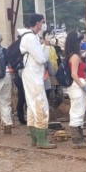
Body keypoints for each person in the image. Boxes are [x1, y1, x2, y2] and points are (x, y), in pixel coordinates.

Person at [19, 13, 55, 149]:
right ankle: (41, 139)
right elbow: (41, 58)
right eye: (42, 22)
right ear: (38, 23)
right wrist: (45, 46)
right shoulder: (30, 37)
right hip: (33, 75)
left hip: (32, 74)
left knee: (32, 105)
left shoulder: (30, 37)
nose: (43, 25)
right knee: (40, 104)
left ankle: (35, 138)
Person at [65, 30, 86, 149]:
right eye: (79, 41)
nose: (81, 43)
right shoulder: (75, 56)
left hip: (76, 86)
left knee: (78, 111)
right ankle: (76, 139)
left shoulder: (72, 55)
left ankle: (79, 137)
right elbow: (74, 74)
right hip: (77, 86)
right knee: (77, 112)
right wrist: (83, 86)